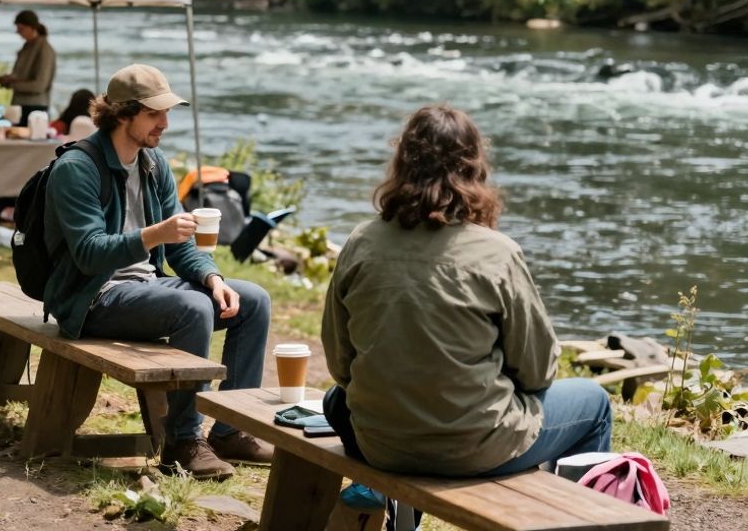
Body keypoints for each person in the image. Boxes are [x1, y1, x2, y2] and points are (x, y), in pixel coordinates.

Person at [321, 104, 611, 479]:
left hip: (381, 443)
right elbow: (538, 372)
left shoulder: (361, 241)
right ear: (474, 167)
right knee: (596, 404)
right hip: (475, 447)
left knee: (335, 400)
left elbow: (340, 363)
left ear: (401, 163)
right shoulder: (497, 252)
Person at [42, 64, 273, 480]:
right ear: (123, 114)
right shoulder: (76, 168)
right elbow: (89, 255)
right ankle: (183, 441)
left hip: (146, 288)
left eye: (167, 113)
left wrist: (212, 278)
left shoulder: (153, 163)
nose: (165, 123)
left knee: (253, 300)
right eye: (154, 114)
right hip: (91, 296)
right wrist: (153, 235)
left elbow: (180, 246)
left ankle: (231, 430)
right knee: (191, 308)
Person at [0, 10, 55, 126]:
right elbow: (21, 75)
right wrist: (8, 79)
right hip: (22, 105)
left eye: (21, 29)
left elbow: (39, 85)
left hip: (35, 108)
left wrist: (12, 84)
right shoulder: (27, 46)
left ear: (32, 28)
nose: (18, 32)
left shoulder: (44, 50)